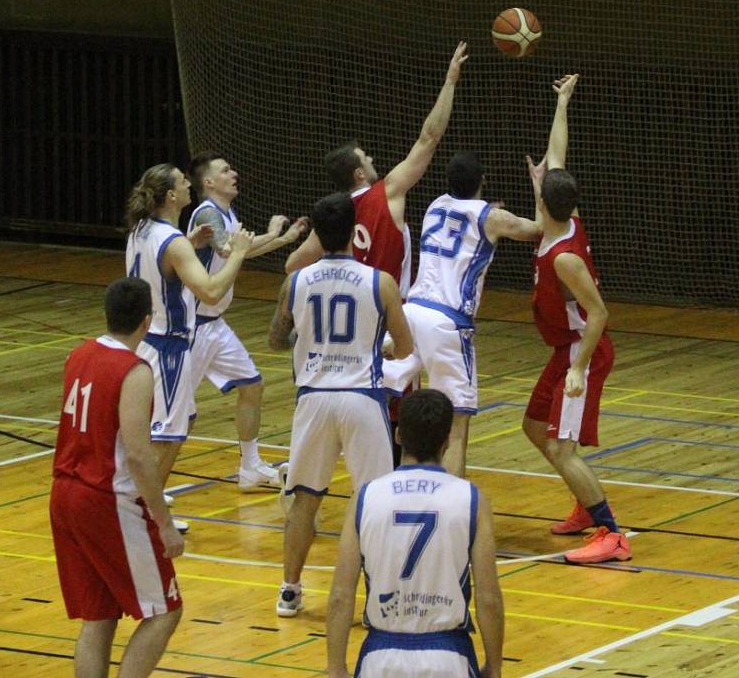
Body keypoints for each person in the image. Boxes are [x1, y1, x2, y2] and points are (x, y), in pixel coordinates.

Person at [285, 42, 469, 466]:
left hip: (347, 331)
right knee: (402, 419)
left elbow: (294, 266)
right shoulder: (386, 193)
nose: (372, 160)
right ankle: (397, 490)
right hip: (390, 319)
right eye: (366, 158)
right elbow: (429, 137)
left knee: (359, 408)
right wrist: (449, 81)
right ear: (357, 172)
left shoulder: (334, 216)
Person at [268, 192, 413, 617]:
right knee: (376, 502)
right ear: (355, 231)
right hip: (361, 399)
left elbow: (276, 341)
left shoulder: (294, 281)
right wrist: (378, 348)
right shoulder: (380, 282)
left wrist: (309, 337)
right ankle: (380, 598)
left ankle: (290, 590)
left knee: (304, 501)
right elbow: (404, 347)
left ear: (315, 233)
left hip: (313, 399)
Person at [49, 277, 185, 678]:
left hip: (64, 493)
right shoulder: (135, 371)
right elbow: (140, 456)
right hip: (105, 499)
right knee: (165, 611)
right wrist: (165, 525)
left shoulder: (77, 356)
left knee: (100, 614)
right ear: (147, 321)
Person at [523, 74, 631, 564]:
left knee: (563, 447)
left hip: (581, 349)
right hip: (563, 348)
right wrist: (562, 102)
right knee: (532, 426)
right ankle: (585, 508)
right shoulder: (563, 218)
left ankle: (611, 532)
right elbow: (557, 156)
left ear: (544, 202)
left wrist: (578, 368)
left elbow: (600, 314)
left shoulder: (564, 257)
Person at [383, 150, 543, 477]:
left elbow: (466, 219)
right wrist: (538, 184)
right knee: (456, 426)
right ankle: (449, 505)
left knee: (390, 407)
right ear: (482, 181)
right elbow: (539, 230)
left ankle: (394, 487)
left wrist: (488, 213)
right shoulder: (493, 218)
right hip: (447, 323)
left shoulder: (435, 206)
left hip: (411, 315)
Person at [326, 389, 504, 678]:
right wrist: (494, 667)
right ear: (447, 442)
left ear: (398, 436)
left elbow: (340, 595)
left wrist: (336, 670)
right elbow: (488, 597)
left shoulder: (366, 497)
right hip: (448, 657)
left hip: (380, 657)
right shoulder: (471, 499)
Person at [125, 163, 254, 531]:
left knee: (177, 422)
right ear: (171, 197)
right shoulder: (173, 240)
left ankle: (141, 504)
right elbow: (211, 290)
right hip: (168, 345)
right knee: (167, 435)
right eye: (183, 183)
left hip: (146, 338)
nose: (188, 186)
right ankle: (144, 512)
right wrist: (240, 253)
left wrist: (190, 246)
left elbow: (162, 266)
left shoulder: (141, 229)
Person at [186, 151, 308, 491]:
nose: (233, 172)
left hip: (214, 323)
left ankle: (251, 467)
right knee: (180, 413)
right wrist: (274, 237)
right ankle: (140, 481)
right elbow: (230, 252)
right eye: (225, 170)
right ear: (208, 182)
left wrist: (279, 238)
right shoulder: (208, 212)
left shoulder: (224, 212)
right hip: (193, 326)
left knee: (251, 385)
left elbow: (240, 249)